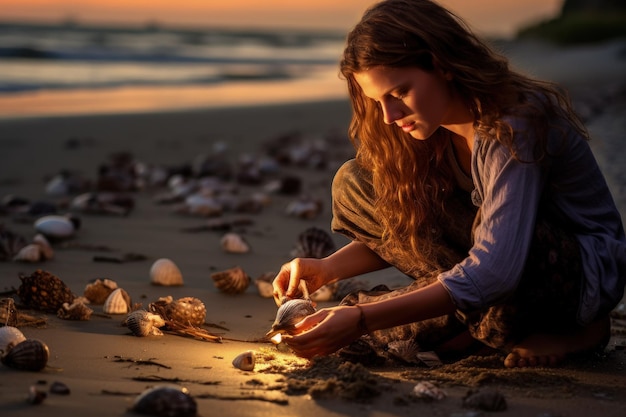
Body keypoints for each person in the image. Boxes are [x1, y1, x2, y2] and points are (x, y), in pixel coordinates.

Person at [271, 0, 626, 368]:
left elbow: (496, 269)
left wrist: (363, 319)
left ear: (441, 64)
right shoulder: (431, 130)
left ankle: (568, 331)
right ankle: (472, 323)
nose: (390, 116)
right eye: (378, 102)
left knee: (365, 325)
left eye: (399, 92)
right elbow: (418, 230)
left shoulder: (512, 124)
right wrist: (329, 268)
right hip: (495, 269)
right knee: (357, 184)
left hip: (572, 277)